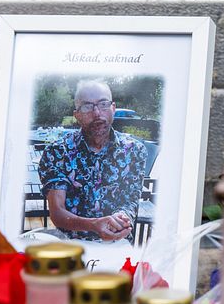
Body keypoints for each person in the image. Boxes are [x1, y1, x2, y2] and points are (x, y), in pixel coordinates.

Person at [37, 80, 150, 242]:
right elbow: (58, 212)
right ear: (76, 115)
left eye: (103, 104)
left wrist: (121, 218)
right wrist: (94, 224)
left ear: (113, 108)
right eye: (87, 106)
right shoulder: (57, 152)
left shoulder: (134, 151)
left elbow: (130, 201)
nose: (97, 113)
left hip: (117, 243)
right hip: (73, 245)